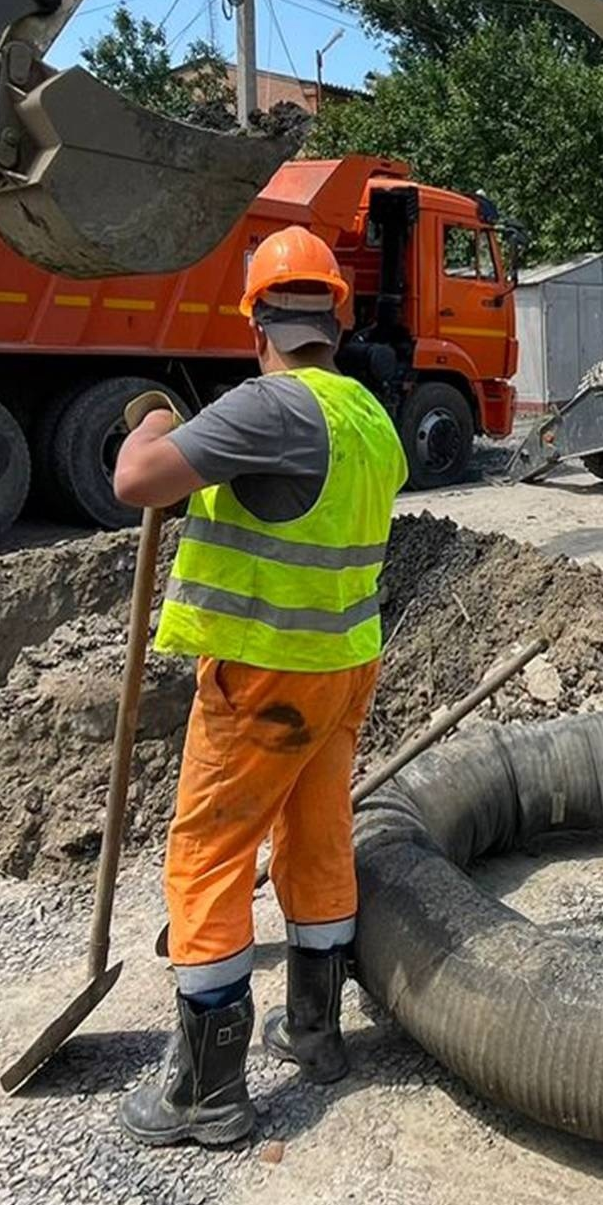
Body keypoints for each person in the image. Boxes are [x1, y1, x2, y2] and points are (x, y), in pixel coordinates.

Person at [111, 226, 407, 1148]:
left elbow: (138, 481)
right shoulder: (368, 414)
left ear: (257, 323)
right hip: (342, 663)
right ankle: (314, 1030)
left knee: (207, 851)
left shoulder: (273, 407)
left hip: (265, 674)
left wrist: (155, 422)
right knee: (316, 834)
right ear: (338, 317)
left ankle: (206, 1089)